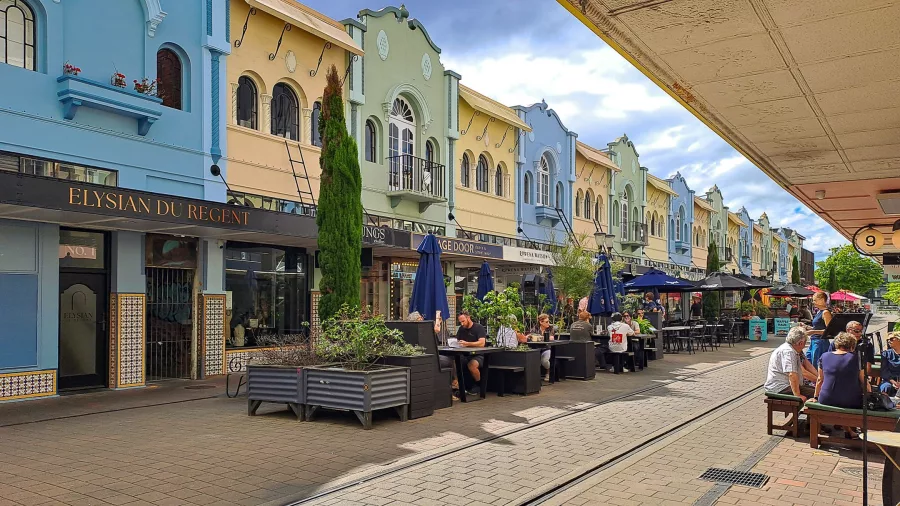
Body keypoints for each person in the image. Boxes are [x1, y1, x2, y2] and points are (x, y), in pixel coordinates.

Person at [409, 311, 460, 400]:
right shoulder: (423, 330)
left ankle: (454, 384)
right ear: (418, 319)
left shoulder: (413, 331)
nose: (423, 319)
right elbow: (436, 330)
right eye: (421, 318)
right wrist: (437, 316)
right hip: (429, 359)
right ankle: (454, 383)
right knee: (449, 360)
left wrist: (438, 321)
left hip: (419, 360)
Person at [814, 332, 866, 412]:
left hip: (826, 399)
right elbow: (863, 381)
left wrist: (815, 397)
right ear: (852, 346)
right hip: (851, 401)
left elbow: (820, 379)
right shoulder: (857, 358)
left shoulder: (824, 356)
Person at [765, 326, 816, 401]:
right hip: (780, 387)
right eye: (805, 342)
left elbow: (808, 366)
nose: (805, 345)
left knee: (817, 390)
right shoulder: (789, 351)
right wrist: (797, 395)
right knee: (818, 394)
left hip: (787, 385)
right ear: (801, 343)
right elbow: (792, 374)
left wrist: (820, 379)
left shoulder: (796, 349)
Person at [456, 311, 488, 396]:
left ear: (468, 318)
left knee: (472, 365)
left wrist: (467, 343)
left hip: (478, 354)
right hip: (465, 354)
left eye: (463, 321)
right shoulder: (461, 329)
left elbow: (482, 343)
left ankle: (479, 385)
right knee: (455, 363)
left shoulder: (478, 327)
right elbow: (457, 341)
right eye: (460, 322)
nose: (462, 324)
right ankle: (460, 386)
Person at [806, 291, 833, 372]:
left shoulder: (825, 313)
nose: (813, 302)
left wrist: (813, 332)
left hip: (820, 342)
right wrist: (808, 327)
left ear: (822, 300)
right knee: (808, 360)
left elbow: (829, 330)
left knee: (816, 364)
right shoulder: (819, 312)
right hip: (814, 341)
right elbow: (818, 327)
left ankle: (817, 382)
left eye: (815, 300)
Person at [529, 313, 555, 381]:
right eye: (546, 322)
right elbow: (531, 336)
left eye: (548, 321)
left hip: (546, 348)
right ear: (541, 322)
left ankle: (548, 373)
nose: (548, 323)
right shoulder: (535, 328)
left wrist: (540, 338)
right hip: (536, 348)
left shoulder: (550, 328)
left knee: (545, 361)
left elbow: (552, 337)